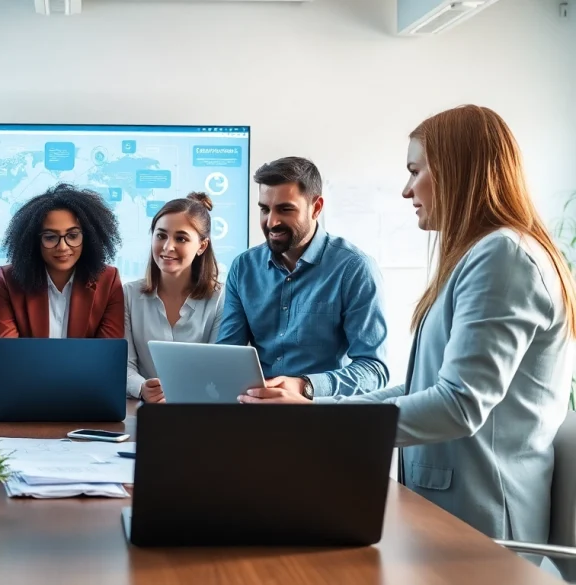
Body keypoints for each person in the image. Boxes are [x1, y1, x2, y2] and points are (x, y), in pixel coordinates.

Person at [241, 105, 576, 544]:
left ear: (458, 172)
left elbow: (459, 403)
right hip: (449, 509)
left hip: (483, 522)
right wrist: (315, 416)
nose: (405, 190)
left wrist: (316, 417)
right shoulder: (477, 255)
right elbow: (421, 385)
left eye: (415, 171)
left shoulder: (504, 256)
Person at [215, 156, 389, 399]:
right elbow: (226, 356)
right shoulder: (244, 267)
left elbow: (374, 369)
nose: (272, 222)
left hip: (319, 416)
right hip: (256, 413)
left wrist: (304, 386)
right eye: (264, 209)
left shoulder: (354, 269)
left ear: (316, 207)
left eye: (285, 209)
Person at [124, 193, 225, 403]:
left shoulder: (221, 298)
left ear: (202, 246)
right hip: (145, 412)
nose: (168, 247)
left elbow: (219, 368)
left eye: (181, 238)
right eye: (161, 235)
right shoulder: (129, 295)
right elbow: (124, 365)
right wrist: (141, 387)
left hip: (201, 411)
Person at [0, 183, 124, 339]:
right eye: (50, 237)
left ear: (89, 237)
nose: (62, 247)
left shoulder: (108, 281)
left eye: (72, 236)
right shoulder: (7, 281)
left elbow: (107, 354)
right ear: (34, 240)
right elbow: (8, 353)